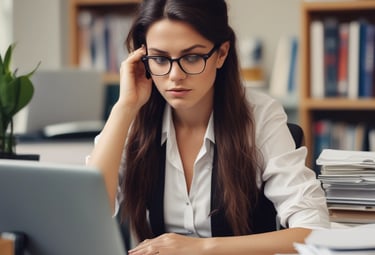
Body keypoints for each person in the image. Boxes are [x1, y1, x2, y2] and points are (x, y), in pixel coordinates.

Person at [87, 0, 330, 254]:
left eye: (191, 57)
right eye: (159, 58)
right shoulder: (134, 117)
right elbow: (89, 211)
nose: (174, 76)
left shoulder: (260, 116)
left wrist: (203, 247)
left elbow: (314, 231)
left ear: (222, 54)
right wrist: (124, 106)